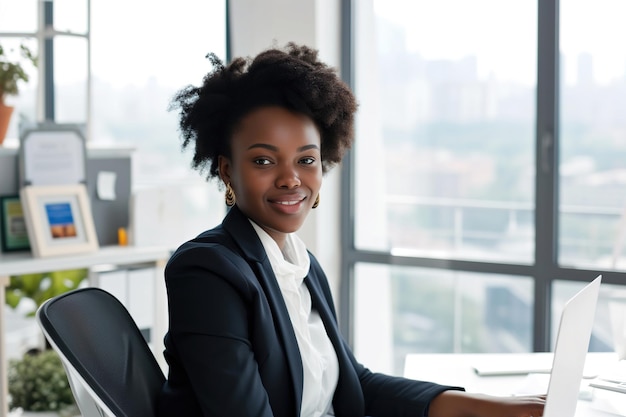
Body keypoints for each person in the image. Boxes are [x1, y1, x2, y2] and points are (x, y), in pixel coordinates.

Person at [157, 42, 545, 417]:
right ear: (228, 170)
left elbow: (351, 384)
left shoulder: (301, 265)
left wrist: (482, 405)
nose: (292, 179)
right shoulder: (207, 271)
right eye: (263, 160)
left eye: (306, 159)